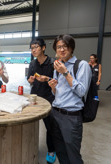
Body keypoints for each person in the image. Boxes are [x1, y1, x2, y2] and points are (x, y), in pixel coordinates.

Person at [48, 34, 92, 164]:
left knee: (73, 155)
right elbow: (58, 94)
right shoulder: (57, 66)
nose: (61, 50)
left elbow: (82, 91)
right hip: (55, 113)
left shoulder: (82, 65)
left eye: (65, 46)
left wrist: (66, 73)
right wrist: (53, 87)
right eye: (58, 47)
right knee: (61, 152)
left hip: (71, 117)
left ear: (71, 48)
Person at [27, 38, 56, 164]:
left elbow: (58, 81)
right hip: (34, 98)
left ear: (43, 48)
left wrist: (48, 78)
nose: (34, 50)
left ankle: (51, 150)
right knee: (30, 124)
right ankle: (30, 147)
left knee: (50, 127)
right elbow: (28, 78)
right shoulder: (32, 63)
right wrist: (31, 80)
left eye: (36, 47)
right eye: (32, 48)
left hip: (49, 99)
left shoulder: (52, 63)